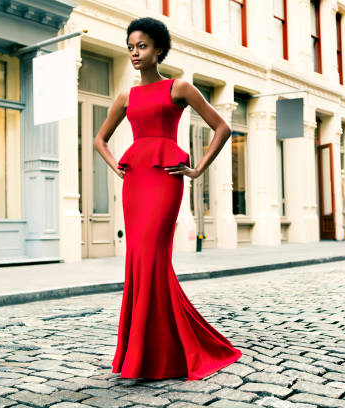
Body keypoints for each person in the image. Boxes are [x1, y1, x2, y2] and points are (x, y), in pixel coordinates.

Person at [93, 17, 242, 381]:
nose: (134, 53)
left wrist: (198, 170)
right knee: (138, 260)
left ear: (159, 49)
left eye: (141, 46)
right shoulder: (126, 96)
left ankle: (155, 353)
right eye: (130, 47)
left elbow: (223, 127)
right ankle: (144, 351)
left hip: (165, 180)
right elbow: (100, 140)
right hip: (136, 181)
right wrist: (117, 167)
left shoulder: (180, 88)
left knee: (153, 258)